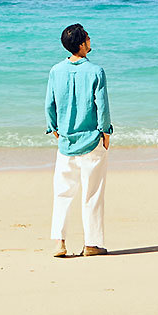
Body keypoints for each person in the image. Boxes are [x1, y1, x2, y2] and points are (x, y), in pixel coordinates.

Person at [45, 22, 112, 257]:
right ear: (82, 44)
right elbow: (101, 106)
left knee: (63, 193)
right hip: (91, 140)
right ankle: (92, 244)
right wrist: (106, 132)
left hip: (66, 142)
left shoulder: (56, 70)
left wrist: (54, 127)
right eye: (87, 37)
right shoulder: (95, 71)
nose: (90, 39)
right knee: (92, 194)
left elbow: (49, 104)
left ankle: (59, 242)